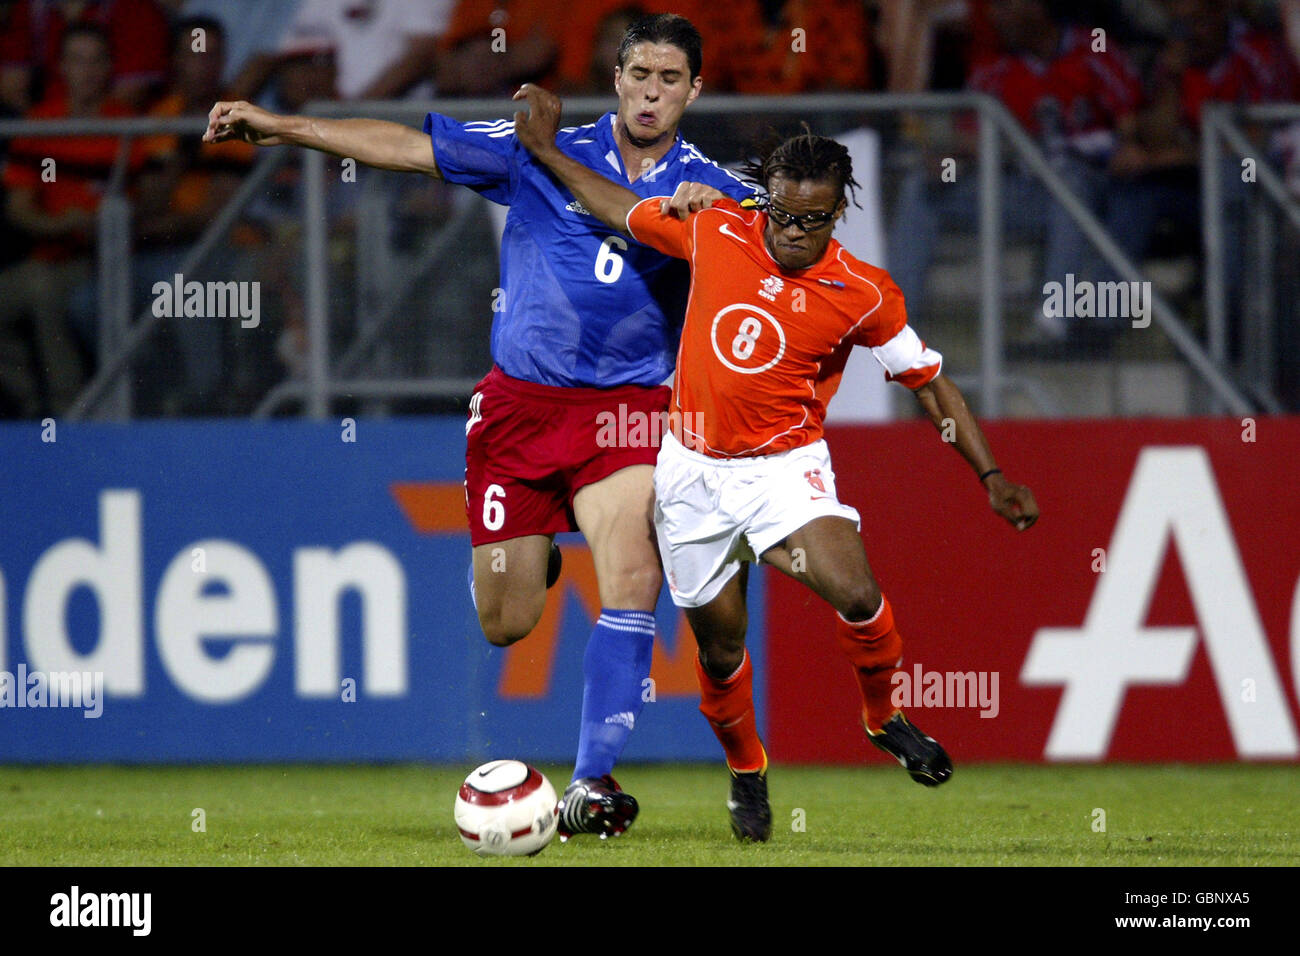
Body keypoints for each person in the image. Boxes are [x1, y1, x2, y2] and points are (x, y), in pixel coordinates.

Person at [203, 13, 756, 839]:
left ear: (694, 89)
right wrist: (283, 126)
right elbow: (403, 148)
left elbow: (789, 263)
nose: (651, 92)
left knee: (634, 578)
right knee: (507, 622)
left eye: (670, 79)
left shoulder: (713, 187)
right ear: (616, 78)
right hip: (520, 410)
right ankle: (536, 561)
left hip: (629, 412)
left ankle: (592, 784)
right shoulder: (537, 147)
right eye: (639, 74)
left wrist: (728, 218)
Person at [510, 83, 1039, 841]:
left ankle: (882, 715)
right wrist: (545, 152)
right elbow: (615, 205)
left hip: (786, 470)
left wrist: (991, 475)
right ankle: (747, 771)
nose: (792, 231)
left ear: (837, 212)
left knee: (855, 590)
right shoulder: (716, 228)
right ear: (768, 199)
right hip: (691, 473)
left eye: (811, 219)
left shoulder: (863, 293)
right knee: (721, 651)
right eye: (783, 213)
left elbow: (932, 386)